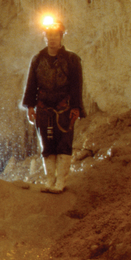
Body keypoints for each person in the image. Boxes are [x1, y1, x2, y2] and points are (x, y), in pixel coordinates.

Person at [22, 16, 85, 193]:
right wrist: (30, 106)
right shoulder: (37, 59)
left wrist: (76, 107)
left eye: (56, 35)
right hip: (43, 109)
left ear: (61, 37)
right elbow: (31, 84)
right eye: (49, 35)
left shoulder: (72, 60)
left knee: (64, 144)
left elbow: (76, 85)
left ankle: (61, 182)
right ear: (45, 37)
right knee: (47, 145)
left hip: (64, 108)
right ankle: (50, 181)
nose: (52, 38)